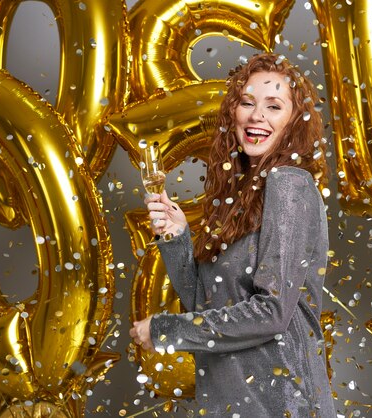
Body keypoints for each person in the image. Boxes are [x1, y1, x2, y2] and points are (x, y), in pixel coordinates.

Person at [129, 53, 335, 417]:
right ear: (233, 114)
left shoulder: (289, 184)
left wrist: (165, 330)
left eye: (274, 106)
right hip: (230, 404)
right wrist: (177, 240)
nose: (257, 116)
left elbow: (271, 313)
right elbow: (205, 309)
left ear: (293, 123)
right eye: (247, 103)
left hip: (281, 406)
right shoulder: (239, 200)